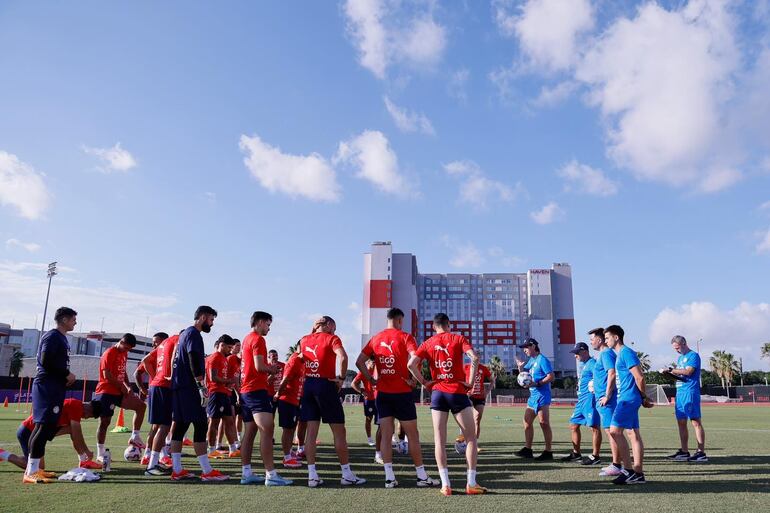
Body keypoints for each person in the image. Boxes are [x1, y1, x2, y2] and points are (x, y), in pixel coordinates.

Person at [358, 307, 438, 489]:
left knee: (386, 436)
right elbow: (414, 361)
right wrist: (419, 380)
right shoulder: (406, 337)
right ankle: (421, 476)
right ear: (400, 320)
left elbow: (359, 361)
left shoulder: (376, 338)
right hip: (402, 393)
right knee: (413, 435)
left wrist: (371, 380)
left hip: (383, 394)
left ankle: (389, 478)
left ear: (388, 319)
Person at [408, 312, 487, 496]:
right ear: (449, 324)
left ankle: (445, 485)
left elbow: (411, 364)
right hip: (457, 392)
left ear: (434, 327)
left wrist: (425, 382)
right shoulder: (458, 338)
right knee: (470, 439)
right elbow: (474, 358)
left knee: (439, 441)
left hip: (438, 394)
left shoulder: (428, 343)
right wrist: (470, 380)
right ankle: (471, 483)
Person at [300, 315, 365, 488]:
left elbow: (300, 358)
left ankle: (312, 476)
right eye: (334, 328)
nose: (335, 331)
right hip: (325, 384)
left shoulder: (304, 339)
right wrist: (341, 378)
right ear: (328, 325)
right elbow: (343, 357)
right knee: (339, 432)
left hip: (308, 385)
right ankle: (346, 474)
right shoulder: (331, 338)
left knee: (311, 433)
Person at [169, 306, 228, 481]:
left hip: (179, 386)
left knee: (180, 427)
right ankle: (207, 471)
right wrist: (201, 385)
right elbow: (194, 358)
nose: (212, 323)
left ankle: (177, 469)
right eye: (211, 319)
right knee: (201, 425)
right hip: (189, 387)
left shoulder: (184, 334)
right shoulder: (194, 334)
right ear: (202, 317)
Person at [23, 307, 77, 483]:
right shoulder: (53, 336)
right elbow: (46, 360)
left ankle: (35, 469)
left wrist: (64, 375)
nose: (75, 322)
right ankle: (31, 471)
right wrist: (66, 374)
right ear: (63, 320)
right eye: (72, 319)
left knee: (43, 427)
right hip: (47, 385)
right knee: (42, 427)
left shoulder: (60, 337)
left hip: (53, 386)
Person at [239, 311, 292, 486]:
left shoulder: (246, 338)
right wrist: (272, 369)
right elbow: (259, 366)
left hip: (246, 390)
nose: (269, 328)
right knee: (267, 431)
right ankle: (271, 474)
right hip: (256, 391)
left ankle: (247, 473)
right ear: (261, 322)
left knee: (250, 433)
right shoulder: (258, 339)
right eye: (268, 324)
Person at [606, 325, 653, 485]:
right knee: (633, 434)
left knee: (614, 432)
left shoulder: (626, 353)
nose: (606, 341)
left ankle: (628, 470)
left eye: (607, 338)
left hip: (628, 398)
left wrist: (643, 397)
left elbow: (639, 377)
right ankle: (638, 473)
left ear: (616, 337)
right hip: (627, 398)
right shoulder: (621, 354)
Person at [92, 333, 147, 462]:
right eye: (126, 348)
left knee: (141, 406)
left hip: (119, 391)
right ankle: (100, 453)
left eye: (129, 349)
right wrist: (122, 386)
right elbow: (107, 375)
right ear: (121, 342)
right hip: (106, 391)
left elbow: (123, 371)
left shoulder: (124, 353)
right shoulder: (110, 352)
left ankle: (135, 436)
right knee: (105, 422)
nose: (127, 351)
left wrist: (128, 386)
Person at [7, 399, 102, 472]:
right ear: (90, 409)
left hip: (40, 430)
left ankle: (83, 461)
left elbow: (76, 432)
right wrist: (86, 451)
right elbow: (77, 433)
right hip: (28, 431)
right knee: (38, 467)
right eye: (89, 416)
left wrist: (85, 452)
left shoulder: (77, 406)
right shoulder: (76, 406)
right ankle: (2, 454)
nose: (85, 418)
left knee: (71, 429)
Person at [661, 335, 707, 463]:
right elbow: (680, 376)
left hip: (690, 392)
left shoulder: (693, 356)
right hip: (680, 392)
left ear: (684, 343)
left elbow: (688, 372)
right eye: (674, 348)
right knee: (681, 422)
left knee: (695, 422)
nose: (676, 350)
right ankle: (684, 451)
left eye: (677, 347)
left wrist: (671, 369)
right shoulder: (680, 358)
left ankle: (701, 452)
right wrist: (669, 374)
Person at [143, 331, 179, 476]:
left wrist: (155, 376)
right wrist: (170, 376)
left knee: (158, 426)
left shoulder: (163, 344)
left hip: (156, 385)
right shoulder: (178, 339)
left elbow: (145, 360)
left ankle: (153, 461)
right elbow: (177, 351)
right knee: (164, 426)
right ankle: (152, 465)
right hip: (165, 386)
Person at [514, 338, 554, 460]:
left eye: (526, 347)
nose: (524, 350)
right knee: (526, 422)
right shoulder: (531, 360)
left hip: (542, 395)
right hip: (533, 396)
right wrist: (520, 368)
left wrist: (537, 384)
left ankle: (548, 452)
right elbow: (525, 376)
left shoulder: (543, 360)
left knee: (544, 423)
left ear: (533, 346)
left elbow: (551, 377)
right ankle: (528, 449)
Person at [589, 328, 622, 476]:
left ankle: (617, 465)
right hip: (601, 398)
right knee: (610, 431)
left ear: (600, 340)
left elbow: (612, 373)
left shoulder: (606, 353)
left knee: (611, 432)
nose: (591, 342)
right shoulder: (603, 354)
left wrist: (607, 395)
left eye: (592, 339)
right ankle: (616, 463)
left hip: (606, 400)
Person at [562, 342, 601, 464]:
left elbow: (600, 377)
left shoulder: (592, 363)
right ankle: (576, 453)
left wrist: (595, 387)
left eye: (577, 353)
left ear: (584, 352)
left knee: (594, 427)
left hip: (590, 400)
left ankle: (595, 456)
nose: (575, 356)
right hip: (581, 401)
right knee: (573, 425)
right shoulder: (584, 365)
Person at [134, 332, 168, 466]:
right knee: (161, 424)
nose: (154, 344)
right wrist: (142, 388)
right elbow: (137, 372)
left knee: (160, 425)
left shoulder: (162, 353)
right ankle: (155, 455)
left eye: (156, 341)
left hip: (160, 389)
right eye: (154, 341)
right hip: (159, 390)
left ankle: (153, 454)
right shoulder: (155, 354)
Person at [205, 335, 238, 459]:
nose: (230, 350)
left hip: (224, 393)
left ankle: (233, 449)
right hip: (216, 393)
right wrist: (228, 380)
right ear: (222, 345)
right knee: (214, 422)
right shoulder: (214, 357)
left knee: (229, 421)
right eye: (229, 347)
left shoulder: (224, 358)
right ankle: (211, 449)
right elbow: (213, 377)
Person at [273, 344, 306, 469]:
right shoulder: (295, 360)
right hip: (287, 400)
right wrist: (278, 393)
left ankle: (289, 452)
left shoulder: (302, 362)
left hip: (295, 401)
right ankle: (287, 458)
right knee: (287, 429)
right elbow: (285, 380)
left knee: (291, 428)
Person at [459, 356, 492, 446]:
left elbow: (492, 380)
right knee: (467, 418)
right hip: (469, 396)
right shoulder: (466, 367)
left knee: (477, 419)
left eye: (477, 356)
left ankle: (474, 444)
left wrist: (487, 391)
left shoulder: (484, 368)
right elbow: (459, 379)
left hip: (480, 397)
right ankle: (463, 440)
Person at [351, 359, 378, 447]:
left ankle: (387, 438)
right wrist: (362, 391)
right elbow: (353, 384)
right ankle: (370, 439)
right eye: (372, 362)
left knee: (384, 420)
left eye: (375, 362)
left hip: (380, 399)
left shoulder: (380, 370)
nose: (374, 364)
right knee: (368, 419)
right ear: (368, 362)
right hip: (369, 400)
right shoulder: (363, 372)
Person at [267, 349, 285, 416]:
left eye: (276, 355)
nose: (275, 357)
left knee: (283, 415)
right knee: (271, 414)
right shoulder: (266, 367)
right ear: (269, 357)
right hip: (270, 394)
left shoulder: (283, 365)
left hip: (282, 394)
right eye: (273, 356)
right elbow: (266, 381)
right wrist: (273, 374)